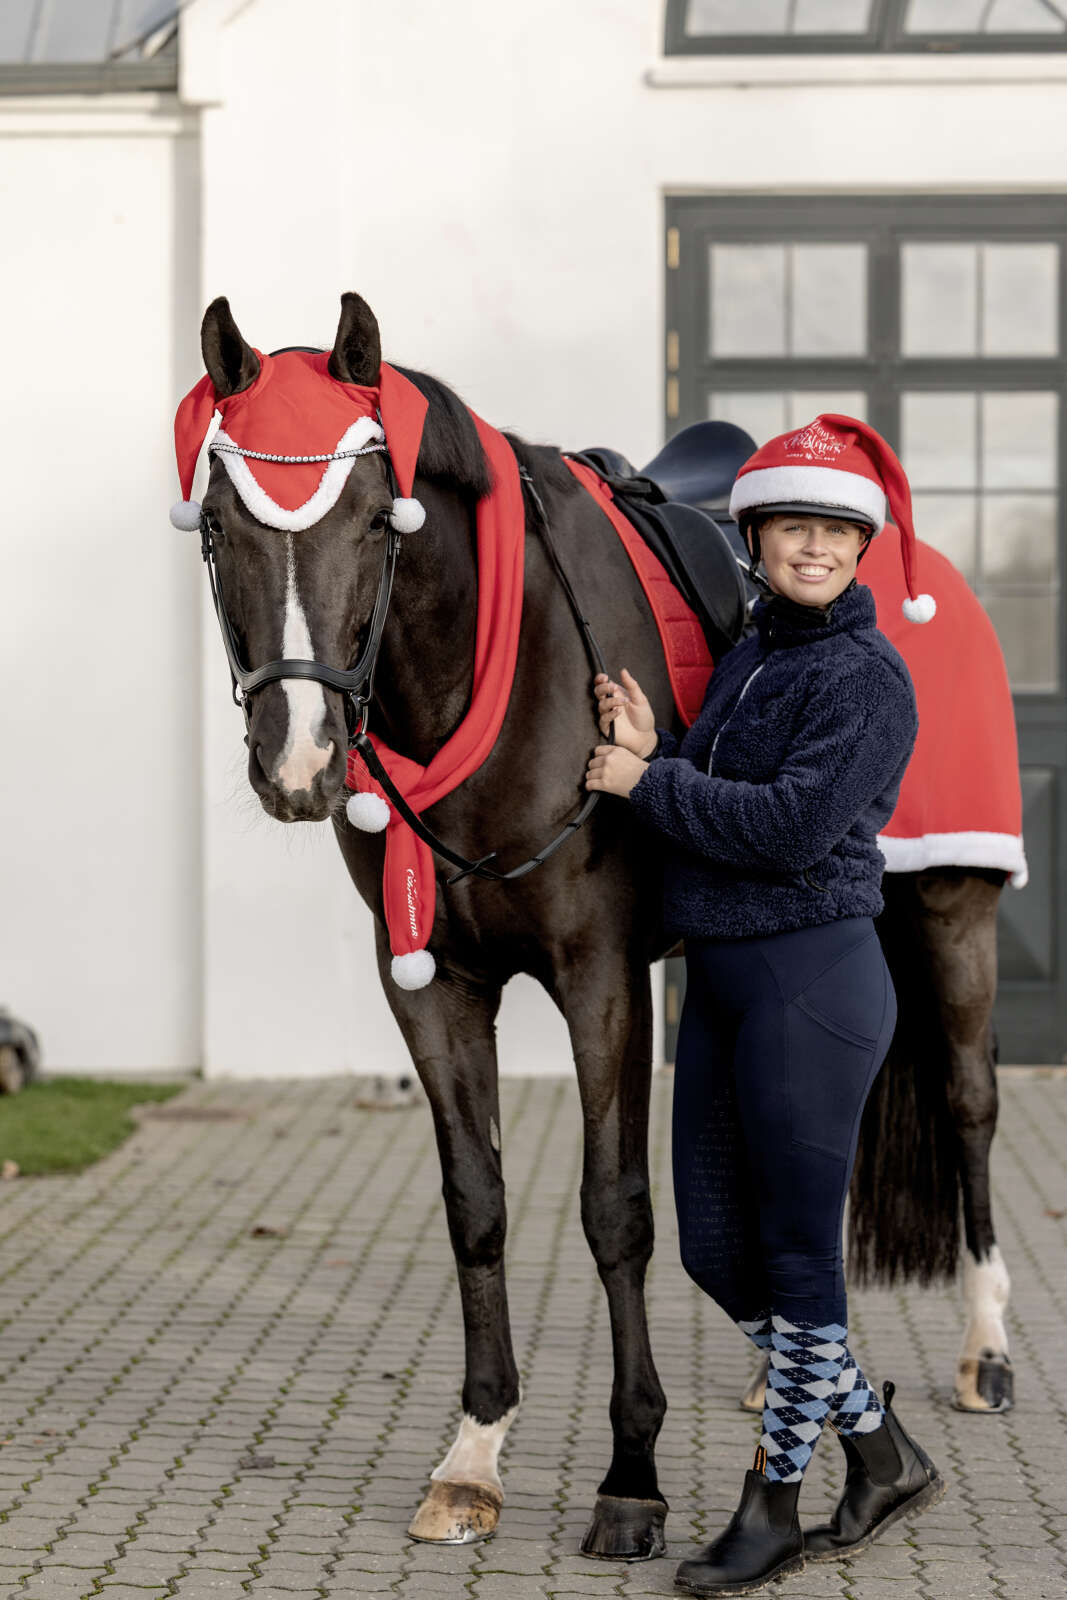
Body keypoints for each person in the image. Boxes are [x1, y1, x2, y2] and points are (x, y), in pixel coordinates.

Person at [585, 416, 944, 1596]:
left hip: (812, 984)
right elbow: (724, 779)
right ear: (753, 533)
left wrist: (649, 780)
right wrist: (662, 742)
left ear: (859, 546)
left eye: (836, 529)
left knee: (797, 1265)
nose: (813, 546)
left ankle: (771, 1505)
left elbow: (788, 827)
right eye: (793, 524)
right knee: (715, 1249)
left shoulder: (863, 674)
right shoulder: (755, 653)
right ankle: (878, 1448)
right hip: (726, 989)